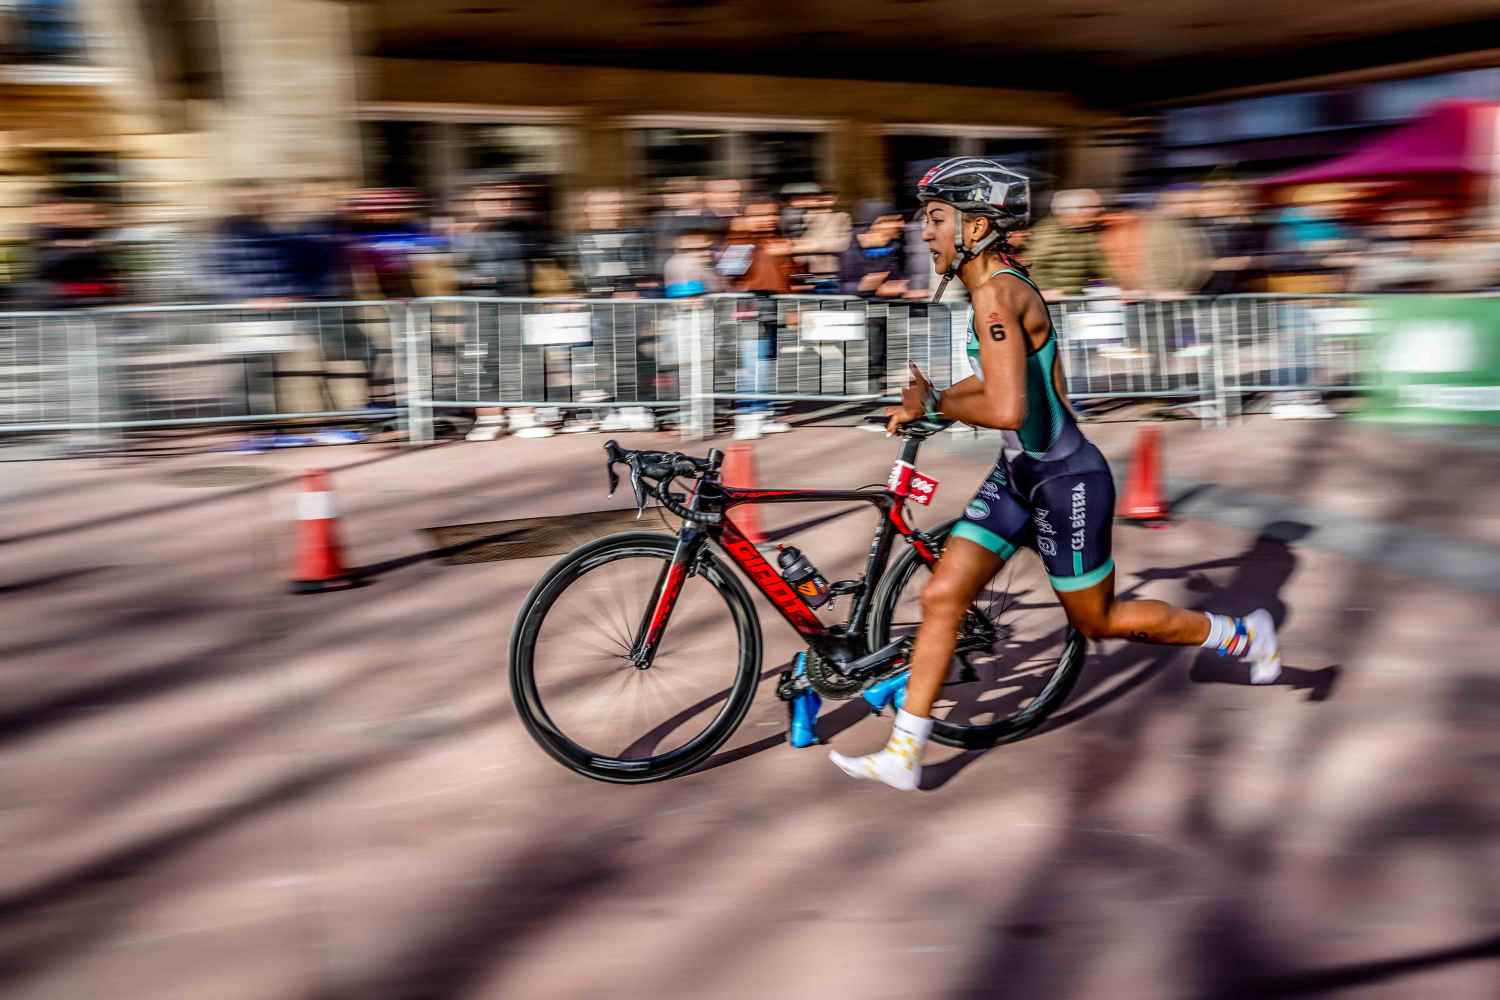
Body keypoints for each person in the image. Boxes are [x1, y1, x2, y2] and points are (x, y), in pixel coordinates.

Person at [829, 157, 1284, 791]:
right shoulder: (999, 287)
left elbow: (1008, 407)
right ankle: (905, 752)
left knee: (1098, 620)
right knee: (941, 596)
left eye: (934, 219)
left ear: (976, 223)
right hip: (1019, 474)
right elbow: (1015, 389)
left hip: (1067, 481)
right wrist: (929, 407)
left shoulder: (996, 292)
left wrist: (934, 403)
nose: (924, 233)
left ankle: (1238, 635)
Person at [1025, 188, 1113, 299]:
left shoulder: (1088, 233)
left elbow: (1101, 265)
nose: (1100, 210)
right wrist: (1045, 290)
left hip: (1075, 299)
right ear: (1076, 209)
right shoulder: (1048, 233)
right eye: (1092, 207)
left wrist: (1118, 285)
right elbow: (1032, 266)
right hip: (1053, 302)